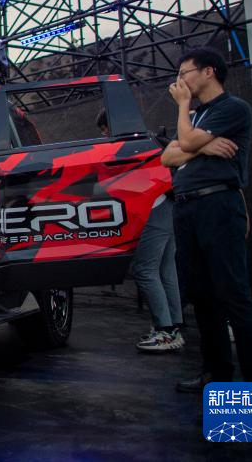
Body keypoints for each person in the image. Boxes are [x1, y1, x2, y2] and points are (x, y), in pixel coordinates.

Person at [161, 47, 252, 401]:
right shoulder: (197, 116)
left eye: (185, 73)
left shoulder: (232, 108)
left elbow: (184, 142)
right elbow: (168, 155)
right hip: (186, 208)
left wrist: (185, 116)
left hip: (218, 205)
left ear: (208, 71)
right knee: (202, 295)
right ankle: (216, 372)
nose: (180, 81)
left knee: (233, 293)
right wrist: (203, 146)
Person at [96, 109, 184, 352]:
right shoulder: (146, 141)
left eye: (104, 130)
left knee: (145, 270)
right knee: (166, 270)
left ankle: (165, 331)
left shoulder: (128, 147)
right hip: (167, 207)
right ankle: (174, 327)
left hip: (154, 210)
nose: (104, 135)